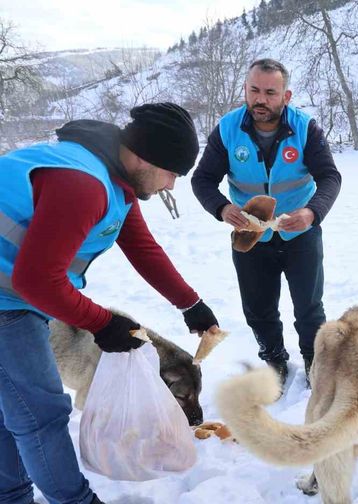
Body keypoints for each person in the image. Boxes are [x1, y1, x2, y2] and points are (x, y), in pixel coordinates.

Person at [0, 102, 220, 504]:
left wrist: (190, 304)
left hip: (16, 293)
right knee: (41, 413)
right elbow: (36, 280)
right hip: (10, 299)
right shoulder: (82, 184)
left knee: (13, 407)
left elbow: (141, 246)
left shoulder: (113, 178)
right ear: (144, 157)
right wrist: (102, 324)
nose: (172, 185)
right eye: (172, 173)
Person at [191, 58, 341, 390]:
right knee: (258, 309)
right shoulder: (228, 129)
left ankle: (314, 361)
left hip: (299, 233)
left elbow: (330, 177)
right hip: (250, 236)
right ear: (245, 89)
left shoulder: (305, 128)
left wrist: (311, 213)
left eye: (270, 93)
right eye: (254, 90)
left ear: (286, 96)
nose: (261, 99)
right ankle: (274, 360)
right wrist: (222, 208)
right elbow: (202, 180)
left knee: (309, 307)